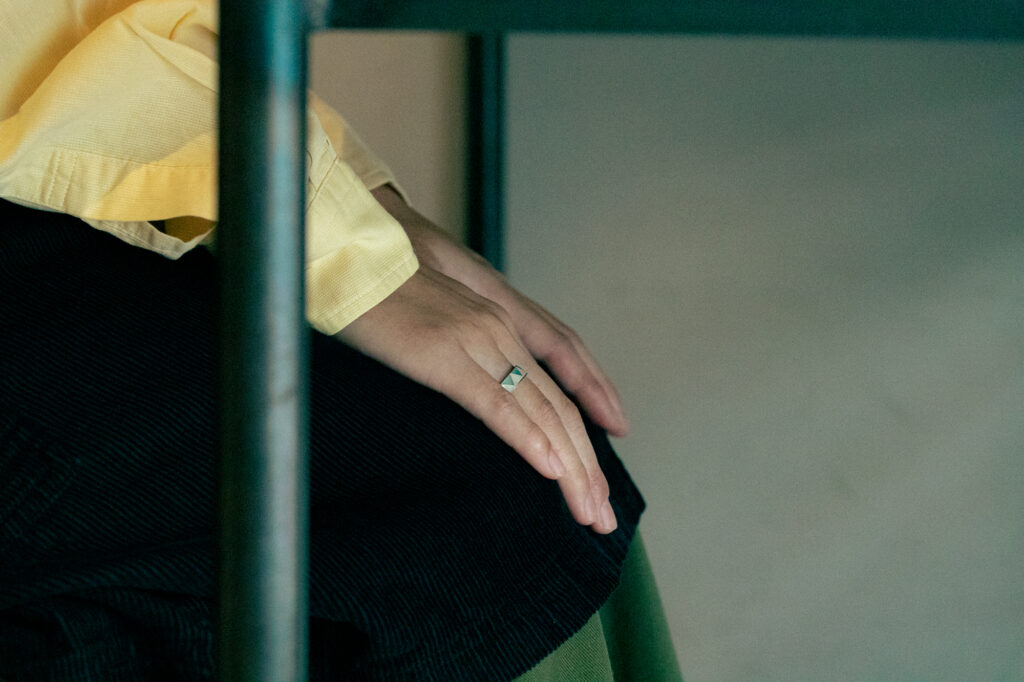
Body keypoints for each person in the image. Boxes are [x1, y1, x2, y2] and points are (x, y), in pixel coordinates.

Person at [0, 1, 681, 679]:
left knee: (536, 453)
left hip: (81, 160)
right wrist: (325, 236)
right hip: (48, 184)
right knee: (478, 526)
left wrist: (345, 196)